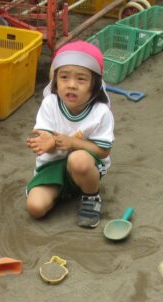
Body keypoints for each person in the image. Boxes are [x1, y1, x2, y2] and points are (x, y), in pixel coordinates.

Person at [25, 41, 115, 228]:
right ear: (55, 80)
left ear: (95, 84)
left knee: (78, 159)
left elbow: (103, 151)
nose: (71, 85)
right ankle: (65, 189)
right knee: (35, 208)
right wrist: (46, 142)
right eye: (64, 77)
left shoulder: (101, 112)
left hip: (85, 165)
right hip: (53, 166)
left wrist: (73, 142)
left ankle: (91, 196)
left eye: (81, 79)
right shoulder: (50, 103)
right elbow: (43, 134)